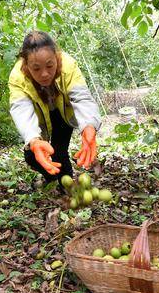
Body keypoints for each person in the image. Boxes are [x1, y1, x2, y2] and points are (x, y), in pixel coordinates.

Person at [8, 31, 101, 187]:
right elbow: (21, 109)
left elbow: (82, 98)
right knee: (32, 156)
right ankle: (52, 179)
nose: (44, 74)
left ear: (56, 57)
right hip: (38, 117)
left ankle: (67, 187)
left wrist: (89, 126)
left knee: (59, 152)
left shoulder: (68, 65)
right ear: (26, 65)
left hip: (62, 114)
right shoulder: (17, 77)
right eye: (36, 69)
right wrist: (33, 138)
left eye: (50, 65)